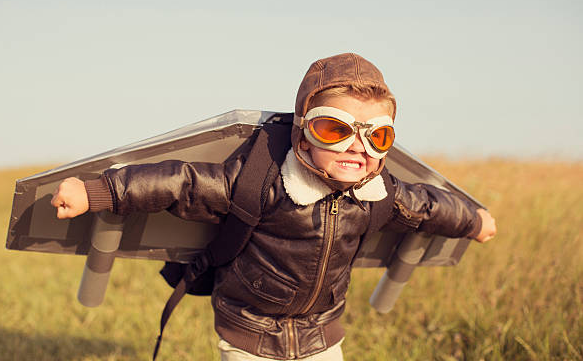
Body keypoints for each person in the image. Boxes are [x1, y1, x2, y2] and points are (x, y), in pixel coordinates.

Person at [51, 53, 496, 360]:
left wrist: (472, 219)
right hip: (249, 329)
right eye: (333, 129)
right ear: (303, 133)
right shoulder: (259, 183)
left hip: (323, 331)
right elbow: (179, 182)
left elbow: (428, 207)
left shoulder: (378, 193)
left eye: (376, 136)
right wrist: (96, 192)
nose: (356, 148)